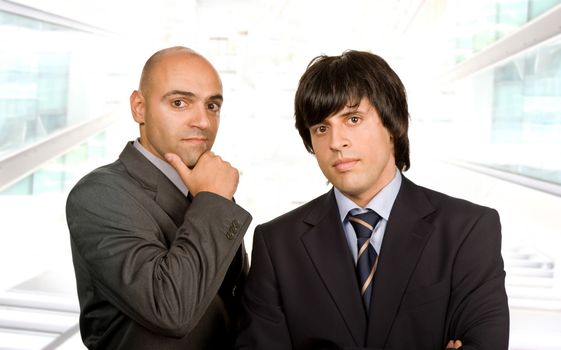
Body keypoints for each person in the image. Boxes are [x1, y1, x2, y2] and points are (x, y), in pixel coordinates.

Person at [236, 50, 509, 349]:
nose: (336, 142)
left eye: (353, 119)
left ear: (392, 124)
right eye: (321, 128)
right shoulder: (277, 243)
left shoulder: (467, 230)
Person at [66, 46, 252, 349]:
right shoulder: (98, 194)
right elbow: (170, 309)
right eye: (180, 102)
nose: (203, 121)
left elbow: (235, 299)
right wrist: (213, 199)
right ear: (139, 107)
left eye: (212, 106)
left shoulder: (205, 188)